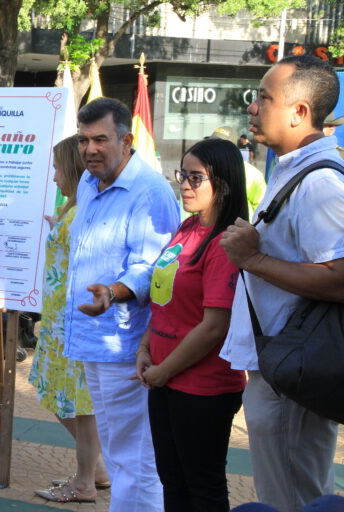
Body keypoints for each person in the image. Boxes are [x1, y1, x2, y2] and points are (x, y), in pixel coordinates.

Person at [219, 55, 344, 512]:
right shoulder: (292, 168)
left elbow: (340, 279)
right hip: (280, 366)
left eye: (265, 98)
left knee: (295, 500)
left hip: (294, 371)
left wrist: (252, 258)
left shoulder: (320, 183)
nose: (253, 107)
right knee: (283, 496)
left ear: (300, 112)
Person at [63, 97, 180, 511]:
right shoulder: (87, 182)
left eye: (100, 140)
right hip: (92, 338)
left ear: (127, 140)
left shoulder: (150, 192)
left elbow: (156, 267)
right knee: (114, 447)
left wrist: (113, 292)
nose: (89, 150)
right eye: (83, 141)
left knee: (137, 456)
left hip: (125, 344)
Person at [135, 138, 247, 511]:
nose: (184, 184)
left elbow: (215, 326)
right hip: (164, 377)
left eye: (195, 178)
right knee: (172, 482)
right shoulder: (187, 228)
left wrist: (163, 370)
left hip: (202, 388)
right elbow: (163, 299)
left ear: (224, 183)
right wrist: (145, 348)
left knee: (203, 488)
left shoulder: (226, 242)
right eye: (182, 174)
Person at [29, 135, 109, 503]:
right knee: (63, 396)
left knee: (77, 402)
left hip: (72, 322)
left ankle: (84, 480)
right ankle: (95, 470)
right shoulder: (76, 209)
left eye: (59, 169)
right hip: (62, 321)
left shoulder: (82, 212)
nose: (55, 176)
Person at [210, 127, 266, 219]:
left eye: (220, 145)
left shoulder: (252, 174)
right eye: (211, 144)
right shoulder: (200, 169)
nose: (214, 148)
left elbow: (261, 208)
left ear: (232, 148)